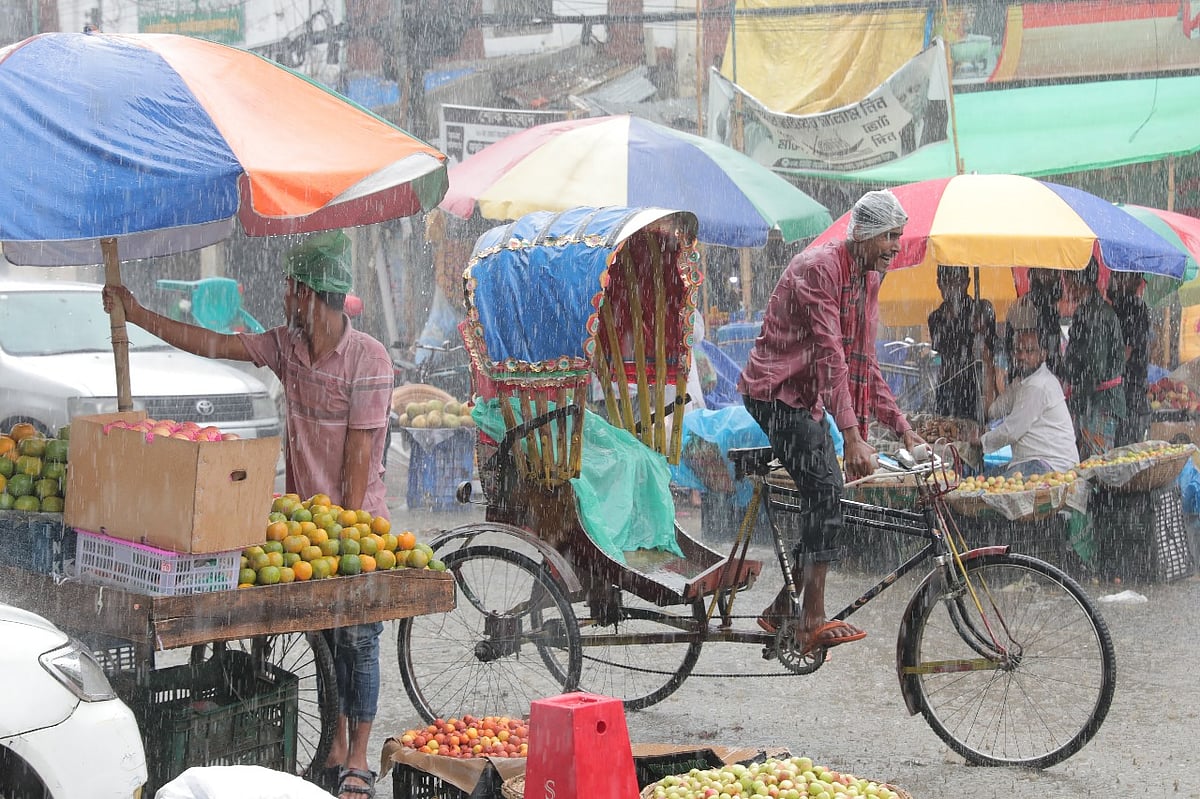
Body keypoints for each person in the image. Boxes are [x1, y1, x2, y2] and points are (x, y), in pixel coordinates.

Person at [103, 231, 392, 799]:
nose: (284, 298)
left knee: (357, 637)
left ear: (310, 294)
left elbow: (357, 472)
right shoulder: (287, 347)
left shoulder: (369, 360)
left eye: (290, 290)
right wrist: (137, 315)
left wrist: (342, 541)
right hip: (305, 524)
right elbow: (212, 344)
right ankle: (334, 747)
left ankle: (357, 755)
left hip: (357, 527)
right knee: (324, 637)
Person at [738, 189, 924, 657]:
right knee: (826, 491)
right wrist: (853, 436)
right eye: (888, 236)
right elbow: (831, 353)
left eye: (898, 236)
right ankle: (809, 619)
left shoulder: (868, 280)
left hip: (811, 400)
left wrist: (901, 426)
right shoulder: (819, 268)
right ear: (862, 234)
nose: (895, 247)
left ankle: (786, 606)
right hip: (775, 393)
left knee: (826, 494)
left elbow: (863, 361)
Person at [977, 305, 1079, 476]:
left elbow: (1011, 431)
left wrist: (979, 441)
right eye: (1018, 350)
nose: (1022, 356)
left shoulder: (1038, 385)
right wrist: (988, 365)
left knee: (985, 489)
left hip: (1051, 466)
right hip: (1030, 462)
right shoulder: (1022, 382)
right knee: (983, 482)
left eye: (1030, 351)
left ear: (1043, 355)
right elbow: (993, 410)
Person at [1061, 258, 1127, 459]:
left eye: (1068, 281)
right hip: (1094, 403)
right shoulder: (1088, 310)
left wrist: (1075, 398)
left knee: (1096, 467)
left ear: (1078, 282)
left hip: (1100, 405)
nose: (1066, 288)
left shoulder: (1095, 315)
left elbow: (1095, 370)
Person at [927, 265, 999, 421]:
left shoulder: (981, 309)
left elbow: (991, 347)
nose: (953, 288)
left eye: (958, 282)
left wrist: (981, 329)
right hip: (947, 388)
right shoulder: (935, 318)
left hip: (976, 387)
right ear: (939, 284)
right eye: (947, 282)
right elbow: (942, 350)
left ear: (967, 282)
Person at [1107, 270, 1152, 446]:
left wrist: (1106, 375)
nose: (1114, 280)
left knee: (1125, 451)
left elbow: (1126, 351)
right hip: (1125, 394)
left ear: (1133, 280)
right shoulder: (1120, 305)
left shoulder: (1133, 307)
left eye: (1118, 276)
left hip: (1129, 395)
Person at [1005, 268, 1064, 380]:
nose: (1049, 276)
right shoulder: (1021, 308)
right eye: (1045, 271)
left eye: (1054, 271)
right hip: (1030, 378)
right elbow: (1013, 350)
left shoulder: (1066, 305)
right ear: (1033, 274)